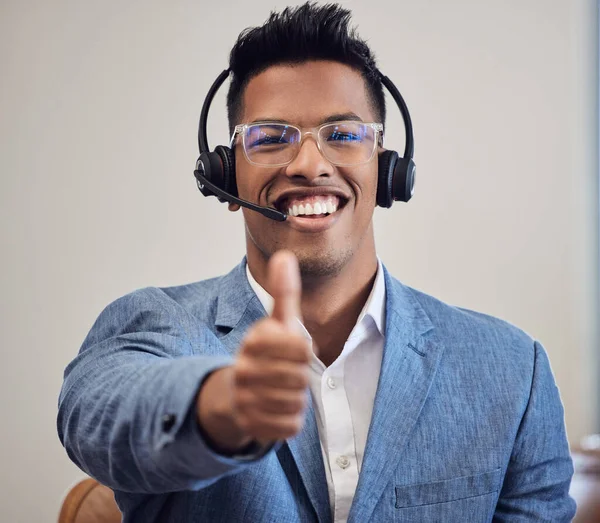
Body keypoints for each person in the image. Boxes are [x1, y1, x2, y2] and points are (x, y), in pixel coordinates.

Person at [57, 3, 576, 522]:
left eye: (344, 135)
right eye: (270, 138)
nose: (309, 164)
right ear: (226, 176)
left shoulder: (512, 371)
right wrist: (221, 404)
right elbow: (96, 415)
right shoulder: (158, 324)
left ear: (389, 171)